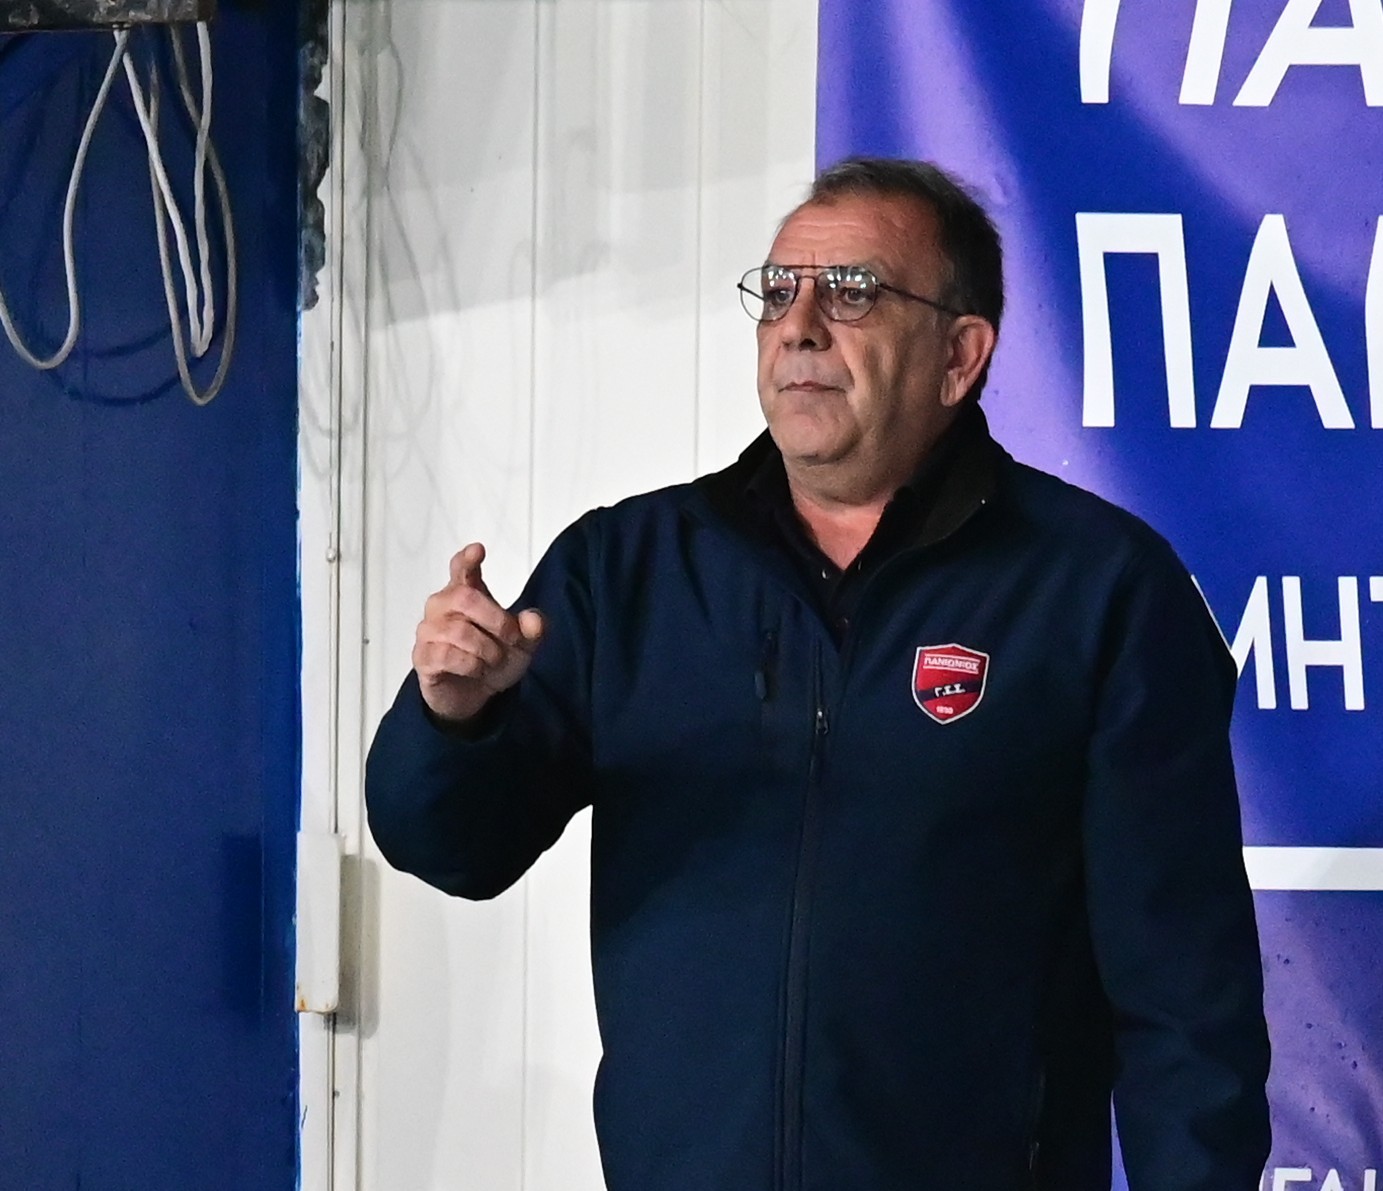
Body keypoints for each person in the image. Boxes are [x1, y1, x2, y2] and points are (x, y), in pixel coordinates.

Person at [365, 157, 1271, 1190]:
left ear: (959, 355)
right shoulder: (628, 571)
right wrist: (453, 720)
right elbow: (452, 847)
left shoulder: (1097, 588)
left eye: (851, 293)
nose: (797, 327)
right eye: (777, 292)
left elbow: (1184, 992)